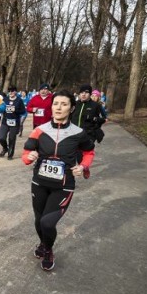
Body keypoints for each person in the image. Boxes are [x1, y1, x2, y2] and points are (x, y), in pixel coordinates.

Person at [22, 90, 95, 271]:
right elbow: (25, 155)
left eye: (64, 104)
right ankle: (43, 243)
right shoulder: (40, 130)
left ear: (71, 109)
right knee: (39, 221)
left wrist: (83, 166)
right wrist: (29, 156)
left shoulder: (78, 133)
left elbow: (89, 152)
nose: (58, 107)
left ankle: (48, 250)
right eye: (56, 104)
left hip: (63, 186)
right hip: (39, 183)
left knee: (48, 222)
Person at [70, 85, 106, 179]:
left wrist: (94, 119)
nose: (83, 94)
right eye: (82, 93)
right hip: (74, 133)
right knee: (79, 156)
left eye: (86, 93)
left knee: (86, 152)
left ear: (90, 94)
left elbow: (103, 118)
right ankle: (84, 166)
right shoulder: (75, 104)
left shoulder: (95, 105)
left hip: (89, 133)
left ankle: (85, 168)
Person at [0, 85, 27, 159]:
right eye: (9, 91)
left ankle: (10, 154)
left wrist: (15, 110)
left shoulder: (19, 100)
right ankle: (5, 148)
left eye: (12, 91)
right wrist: (0, 121)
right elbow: (2, 110)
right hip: (5, 121)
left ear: (15, 92)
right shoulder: (5, 99)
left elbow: (23, 111)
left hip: (15, 122)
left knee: (12, 138)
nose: (10, 92)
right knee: (1, 138)